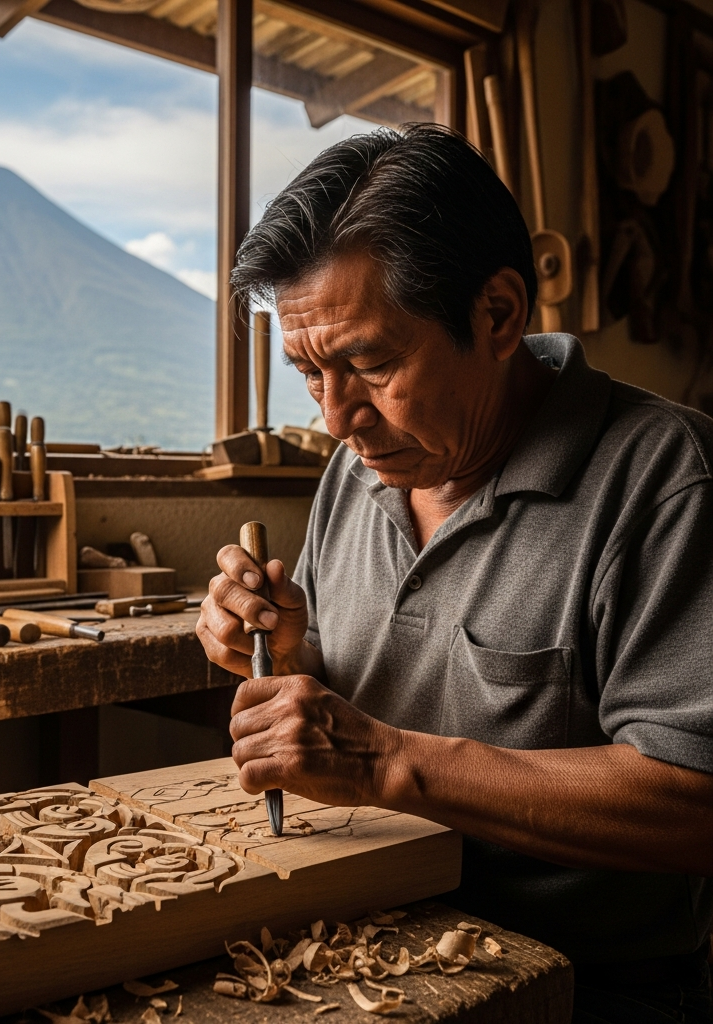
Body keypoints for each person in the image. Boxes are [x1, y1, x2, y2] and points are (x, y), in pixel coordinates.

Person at [196, 125, 713, 1023]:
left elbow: (696, 802)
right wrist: (288, 654)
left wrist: (388, 763)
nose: (337, 418)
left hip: (577, 985)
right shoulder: (359, 467)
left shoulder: (666, 479)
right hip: (363, 940)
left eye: (369, 363)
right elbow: (355, 709)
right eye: (309, 374)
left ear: (499, 315)